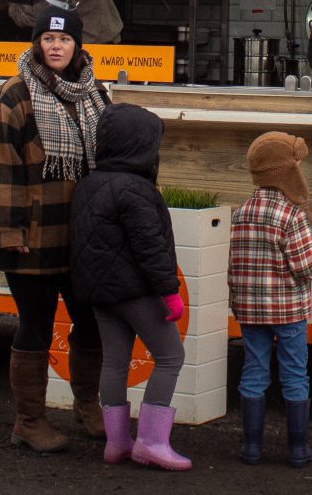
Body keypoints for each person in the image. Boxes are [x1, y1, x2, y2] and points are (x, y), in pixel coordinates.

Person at [0, 4, 110, 452]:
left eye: (65, 39)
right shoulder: (15, 93)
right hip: (31, 234)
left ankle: (88, 408)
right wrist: (10, 230)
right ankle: (29, 422)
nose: (56, 46)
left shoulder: (96, 94)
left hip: (82, 237)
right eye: (48, 39)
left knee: (90, 322)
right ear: (37, 43)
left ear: (78, 45)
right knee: (34, 327)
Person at [69, 103, 191, 471]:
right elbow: (150, 247)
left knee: (116, 362)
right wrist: (169, 291)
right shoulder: (135, 189)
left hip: (100, 295)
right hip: (136, 291)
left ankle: (117, 442)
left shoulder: (89, 183)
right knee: (171, 356)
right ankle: (152, 442)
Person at [229, 132, 312, 468]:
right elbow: (307, 269)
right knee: (295, 374)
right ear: (286, 171)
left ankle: (251, 449)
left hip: (251, 311)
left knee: (254, 371)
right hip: (288, 311)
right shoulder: (292, 216)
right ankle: (297, 450)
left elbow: (234, 267)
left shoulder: (240, 213)